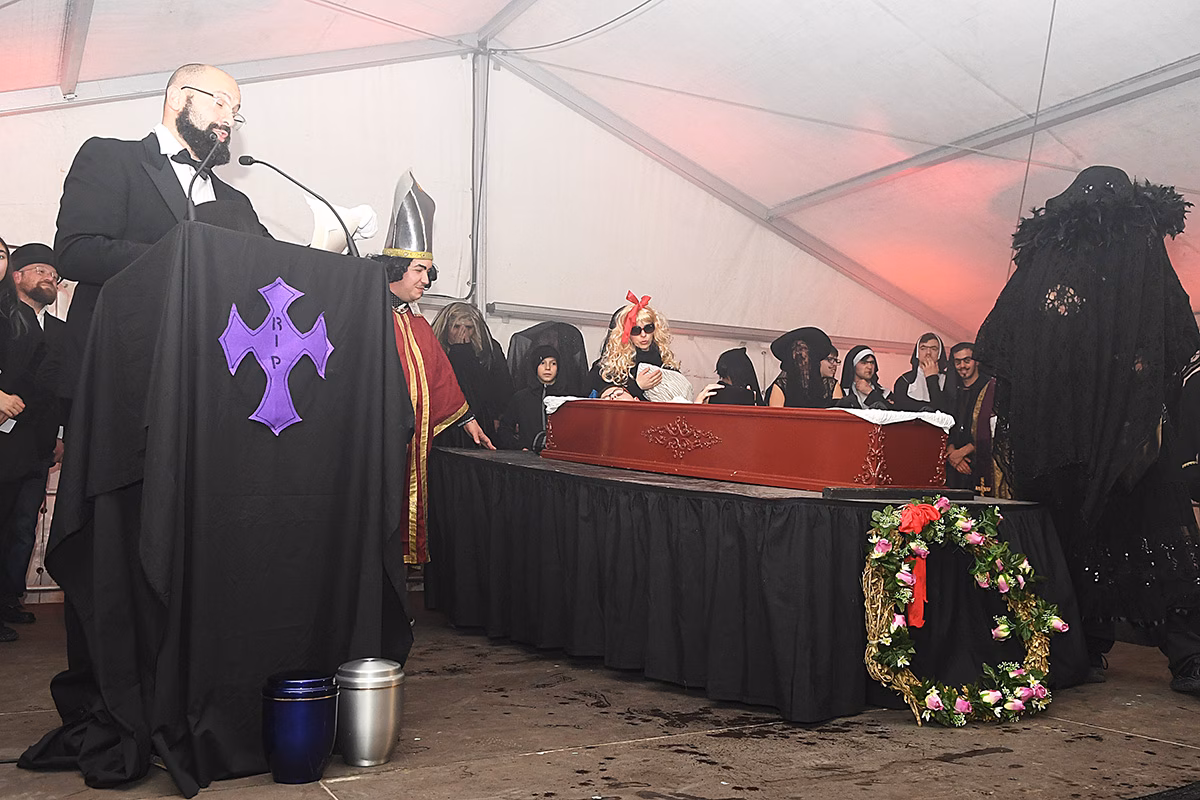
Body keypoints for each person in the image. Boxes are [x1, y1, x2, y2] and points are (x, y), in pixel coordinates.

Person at [976, 165, 1200, 694]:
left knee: (1114, 532)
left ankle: (1107, 647)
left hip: (1090, 432)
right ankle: (1170, 652)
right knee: (1125, 533)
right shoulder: (1129, 241)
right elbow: (1176, 328)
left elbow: (1003, 339)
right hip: (1105, 430)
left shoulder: (1061, 251)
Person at [54, 63, 270, 413]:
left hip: (212, 383)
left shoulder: (236, 201)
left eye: (235, 111)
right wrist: (184, 257)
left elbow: (268, 267)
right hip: (121, 372)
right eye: (219, 102)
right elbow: (76, 252)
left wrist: (327, 245)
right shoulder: (112, 158)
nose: (228, 119)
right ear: (177, 98)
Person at [372, 170, 494, 565]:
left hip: (409, 450)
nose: (427, 280)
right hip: (374, 448)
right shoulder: (367, 316)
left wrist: (468, 420)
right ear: (395, 269)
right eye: (419, 270)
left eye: (429, 271)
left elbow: (440, 377)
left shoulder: (417, 323)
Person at [0, 245, 66, 633]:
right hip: (6, 437)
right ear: (17, 275)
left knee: (23, 527)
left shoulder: (61, 331)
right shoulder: (5, 318)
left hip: (39, 447)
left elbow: (62, 390)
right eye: (40, 269)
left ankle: (9, 599)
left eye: (54, 275)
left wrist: (59, 435)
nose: (49, 278)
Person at [431, 302, 513, 444]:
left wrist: (499, 416)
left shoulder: (489, 350)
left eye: (468, 328)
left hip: (481, 420)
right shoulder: (434, 349)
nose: (462, 332)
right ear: (446, 328)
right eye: (456, 327)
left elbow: (502, 388)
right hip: (444, 423)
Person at [596, 293, 683, 400]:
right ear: (626, 333)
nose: (643, 334)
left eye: (648, 328)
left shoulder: (665, 361)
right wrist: (637, 386)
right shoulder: (610, 366)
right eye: (635, 330)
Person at [943, 342, 998, 492]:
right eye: (958, 362)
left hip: (980, 460)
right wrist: (952, 454)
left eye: (967, 360)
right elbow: (945, 423)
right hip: (954, 464)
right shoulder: (951, 390)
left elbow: (993, 429)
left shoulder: (990, 388)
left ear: (977, 361)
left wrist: (962, 452)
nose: (962, 366)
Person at [498, 344, 568, 450]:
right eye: (542, 363)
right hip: (528, 457)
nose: (548, 368)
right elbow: (504, 429)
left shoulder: (566, 399)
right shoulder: (521, 398)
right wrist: (519, 448)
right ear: (535, 365)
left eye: (553, 363)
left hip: (559, 457)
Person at [766, 327, 842, 408]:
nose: (802, 359)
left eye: (805, 353)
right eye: (797, 354)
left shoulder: (831, 386)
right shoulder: (781, 385)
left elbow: (839, 414)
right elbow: (776, 414)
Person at [892, 332, 954, 412]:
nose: (928, 353)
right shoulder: (904, 381)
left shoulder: (949, 380)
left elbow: (943, 409)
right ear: (917, 353)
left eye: (933, 349)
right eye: (923, 348)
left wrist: (932, 378)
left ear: (939, 353)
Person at [836, 345, 892, 409]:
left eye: (872, 363)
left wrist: (870, 392)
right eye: (864, 363)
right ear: (854, 365)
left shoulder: (886, 393)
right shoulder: (842, 392)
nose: (870, 367)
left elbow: (892, 412)